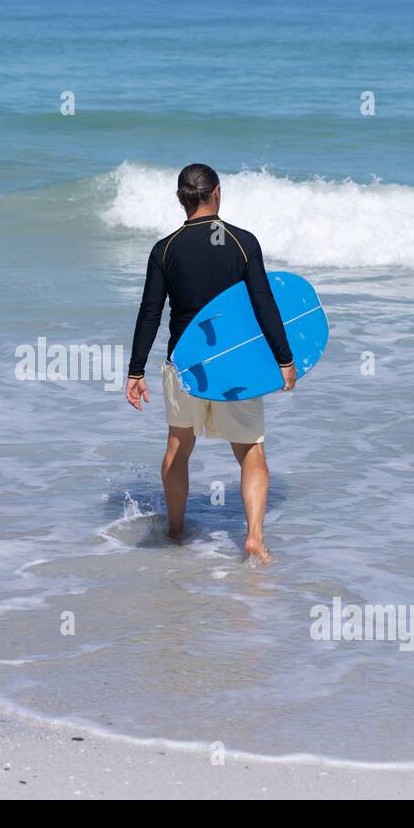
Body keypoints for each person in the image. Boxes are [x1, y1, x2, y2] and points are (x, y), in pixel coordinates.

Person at [125, 163, 296, 561]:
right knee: (251, 451)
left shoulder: (164, 249)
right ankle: (253, 537)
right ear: (215, 192)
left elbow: (150, 312)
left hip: (186, 367)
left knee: (178, 447)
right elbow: (263, 302)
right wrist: (283, 358)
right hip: (234, 368)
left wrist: (135, 370)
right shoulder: (242, 242)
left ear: (181, 198)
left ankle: (176, 530)